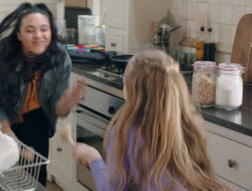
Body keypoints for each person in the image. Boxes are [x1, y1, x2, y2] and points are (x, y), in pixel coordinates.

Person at [71, 49, 229, 191]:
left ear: (132, 93)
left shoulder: (126, 129)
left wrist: (94, 159)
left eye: (125, 83)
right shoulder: (190, 121)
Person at [0, 2, 86, 186]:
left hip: (35, 119)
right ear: (19, 35)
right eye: (30, 30)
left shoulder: (60, 58)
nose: (38, 35)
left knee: (35, 178)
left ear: (51, 32)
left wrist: (68, 101)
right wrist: (14, 143)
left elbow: (57, 108)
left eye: (44, 29)